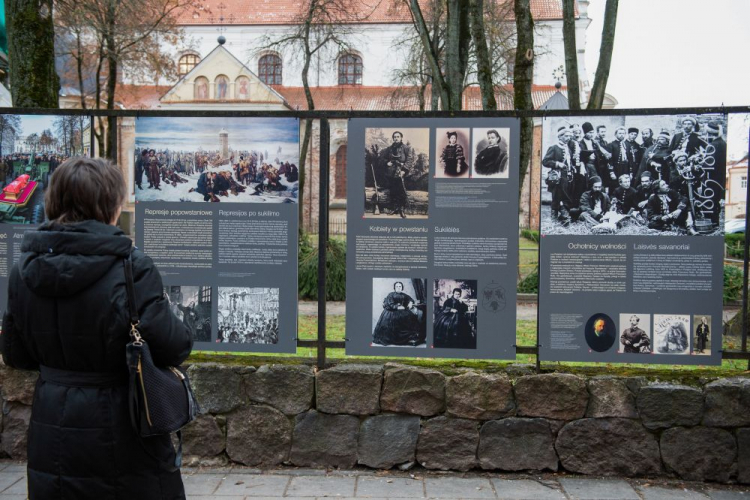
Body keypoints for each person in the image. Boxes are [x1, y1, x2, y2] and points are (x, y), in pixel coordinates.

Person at [0, 157, 192, 499]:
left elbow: (16, 353)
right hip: (125, 428)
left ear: (52, 201)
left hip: (53, 429)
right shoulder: (131, 268)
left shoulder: (24, 270)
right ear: (110, 206)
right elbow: (174, 346)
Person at [372, 281, 425, 346]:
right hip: (391, 313)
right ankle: (396, 339)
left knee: (410, 317)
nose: (398, 288)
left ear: (402, 288)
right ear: (394, 287)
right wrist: (397, 307)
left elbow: (410, 299)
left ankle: (411, 338)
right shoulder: (391, 294)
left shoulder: (404, 295)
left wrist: (410, 302)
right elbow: (390, 303)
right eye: (397, 286)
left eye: (400, 286)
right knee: (395, 321)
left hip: (402, 311)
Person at [379, 131, 413, 218]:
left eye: (398, 137)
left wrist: (404, 170)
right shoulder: (389, 149)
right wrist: (387, 163)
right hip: (391, 173)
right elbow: (382, 159)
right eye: (394, 137)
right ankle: (394, 208)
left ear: (401, 138)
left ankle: (401, 209)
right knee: (393, 191)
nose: (396, 138)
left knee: (401, 191)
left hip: (402, 172)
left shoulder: (406, 148)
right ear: (393, 138)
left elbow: (409, 160)